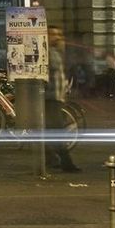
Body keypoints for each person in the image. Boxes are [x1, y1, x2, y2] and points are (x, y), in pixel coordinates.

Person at [48, 28, 81, 173]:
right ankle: (66, 163)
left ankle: (51, 160)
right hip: (49, 99)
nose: (58, 37)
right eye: (54, 34)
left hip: (57, 98)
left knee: (48, 131)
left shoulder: (56, 52)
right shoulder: (46, 52)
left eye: (60, 34)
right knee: (57, 131)